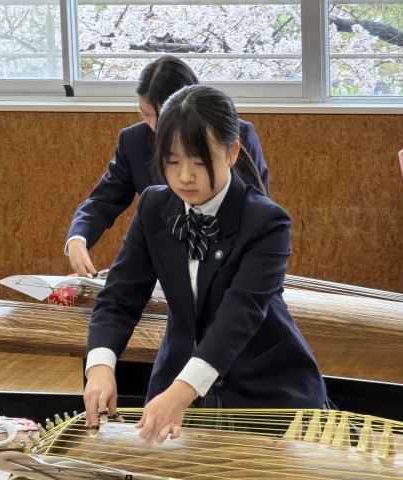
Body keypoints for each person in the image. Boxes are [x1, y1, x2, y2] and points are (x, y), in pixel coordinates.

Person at [83, 84, 326, 444]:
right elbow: (120, 297)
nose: (184, 176)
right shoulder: (153, 206)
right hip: (176, 381)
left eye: (199, 162)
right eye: (172, 161)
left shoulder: (266, 221)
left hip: (263, 389)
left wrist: (181, 392)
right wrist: (100, 366)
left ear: (232, 153)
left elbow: (239, 315)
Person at [66, 55, 270, 278]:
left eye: (162, 115)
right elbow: (103, 200)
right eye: (145, 114)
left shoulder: (233, 135)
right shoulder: (134, 141)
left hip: (228, 262)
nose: (155, 126)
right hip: (164, 269)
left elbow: (256, 207)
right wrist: (78, 238)